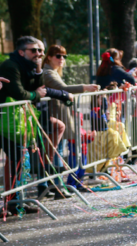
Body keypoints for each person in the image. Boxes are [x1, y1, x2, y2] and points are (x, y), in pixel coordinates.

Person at [0, 36, 74, 215]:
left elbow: (40, 87)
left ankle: (14, 202)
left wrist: (39, 70)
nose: (39, 54)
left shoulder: (31, 67)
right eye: (34, 50)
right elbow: (20, 93)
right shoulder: (11, 66)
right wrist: (35, 95)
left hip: (13, 122)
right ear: (21, 52)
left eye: (41, 51)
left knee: (18, 159)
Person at [43, 45, 99, 193]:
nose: (62, 59)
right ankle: (55, 185)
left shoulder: (53, 72)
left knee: (58, 151)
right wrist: (85, 87)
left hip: (59, 115)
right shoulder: (47, 73)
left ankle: (56, 184)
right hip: (53, 116)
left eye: (64, 56)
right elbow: (64, 89)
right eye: (58, 56)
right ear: (49, 57)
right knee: (55, 151)